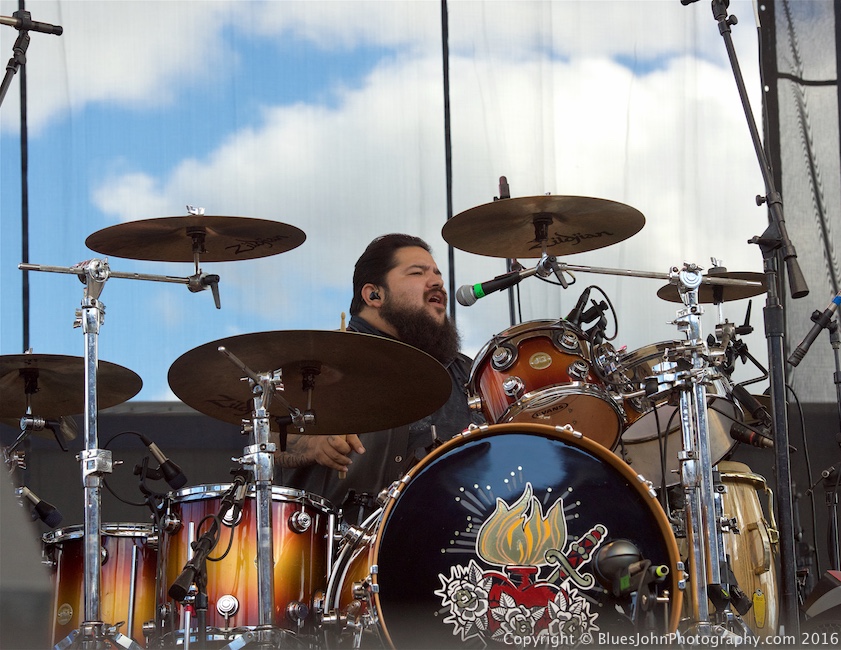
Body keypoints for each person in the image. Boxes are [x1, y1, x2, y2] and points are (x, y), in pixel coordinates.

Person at [276, 234, 481, 522]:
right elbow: (264, 435)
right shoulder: (318, 362)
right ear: (374, 295)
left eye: (437, 274)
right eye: (418, 273)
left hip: (449, 541)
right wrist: (314, 444)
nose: (437, 282)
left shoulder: (467, 374)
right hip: (337, 543)